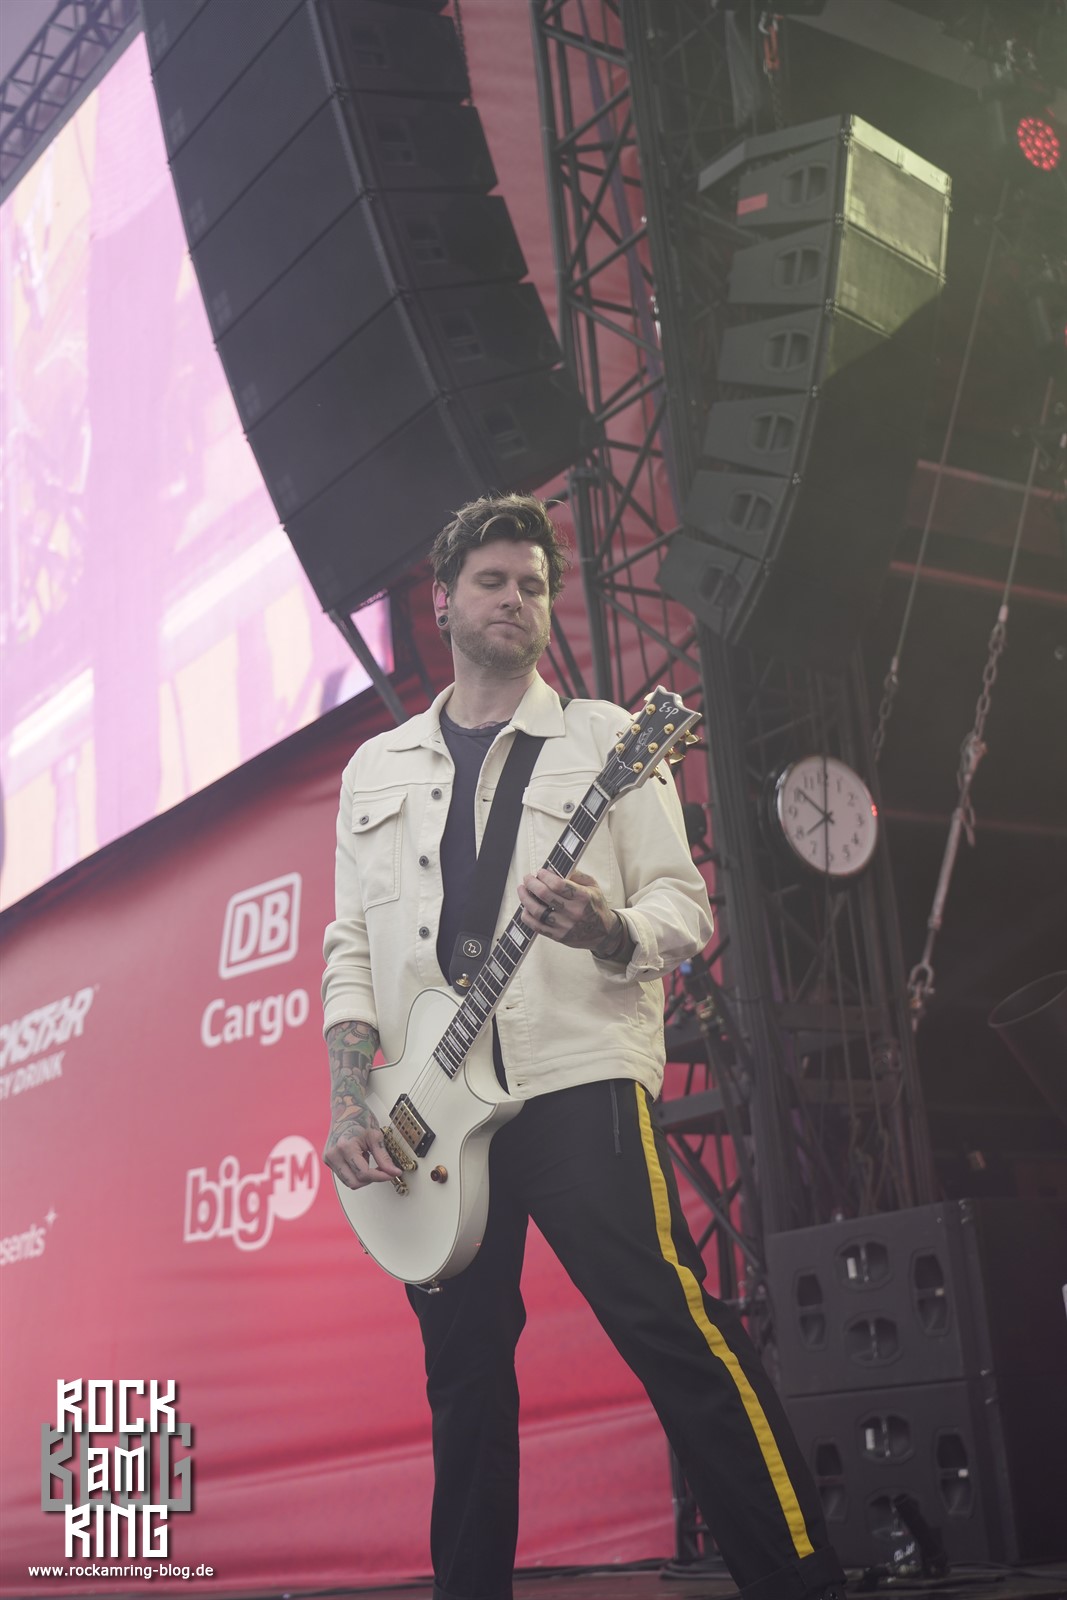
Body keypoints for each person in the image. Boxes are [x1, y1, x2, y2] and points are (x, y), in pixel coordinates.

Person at [322, 494, 846, 1600]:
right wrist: (350, 1097)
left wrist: (607, 927)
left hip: (577, 1079)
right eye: (492, 581)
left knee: (671, 1329)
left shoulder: (606, 736)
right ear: (442, 601)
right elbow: (350, 946)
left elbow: (680, 905)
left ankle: (798, 1577)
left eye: (533, 585)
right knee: (463, 1379)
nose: (515, 600)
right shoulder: (375, 769)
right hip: (428, 1113)